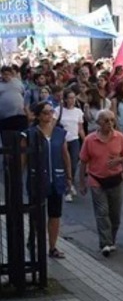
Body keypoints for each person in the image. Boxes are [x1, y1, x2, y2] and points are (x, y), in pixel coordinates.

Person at [21, 102, 73, 259]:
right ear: (38, 115)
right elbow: (22, 159)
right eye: (45, 113)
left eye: (51, 112)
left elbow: (65, 155)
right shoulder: (29, 134)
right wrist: (19, 178)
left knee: (55, 214)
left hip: (56, 179)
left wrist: (69, 176)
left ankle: (52, 247)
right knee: (36, 214)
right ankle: (33, 238)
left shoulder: (59, 133)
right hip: (37, 179)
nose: (48, 115)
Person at [79, 110, 123, 257]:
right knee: (102, 213)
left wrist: (119, 161)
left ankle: (111, 239)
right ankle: (105, 243)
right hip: (96, 179)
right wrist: (82, 183)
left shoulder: (119, 137)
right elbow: (83, 162)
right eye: (106, 120)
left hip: (115, 179)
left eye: (112, 120)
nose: (110, 124)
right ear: (98, 122)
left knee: (115, 215)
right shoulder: (90, 140)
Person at [55, 88, 85, 203]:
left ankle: (70, 182)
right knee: (65, 164)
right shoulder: (59, 110)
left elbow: (80, 128)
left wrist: (85, 140)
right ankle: (67, 188)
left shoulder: (78, 111)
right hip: (63, 140)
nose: (72, 100)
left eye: (73, 98)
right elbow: (53, 125)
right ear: (65, 99)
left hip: (74, 139)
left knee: (73, 163)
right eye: (70, 98)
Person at [0, 65, 29, 132]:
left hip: (20, 114)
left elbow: (23, 93)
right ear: (1, 74)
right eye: (4, 74)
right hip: (5, 117)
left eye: (8, 74)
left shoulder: (17, 82)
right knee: (8, 138)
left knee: (22, 136)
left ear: (11, 74)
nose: (7, 76)